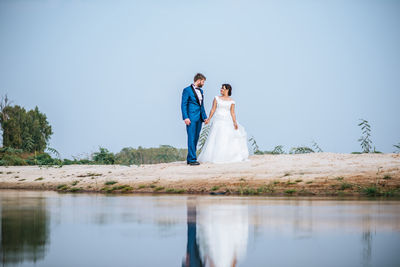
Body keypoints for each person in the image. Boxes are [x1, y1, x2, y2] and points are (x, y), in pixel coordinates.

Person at [198, 84, 249, 163]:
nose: (221, 90)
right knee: (216, 137)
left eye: (223, 88)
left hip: (227, 120)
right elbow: (213, 109)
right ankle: (214, 157)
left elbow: (232, 112)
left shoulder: (232, 101)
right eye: (221, 88)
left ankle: (227, 156)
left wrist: (235, 122)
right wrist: (209, 119)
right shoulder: (216, 98)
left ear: (227, 90)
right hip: (218, 120)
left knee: (226, 137)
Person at [181, 73, 208, 165]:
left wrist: (205, 117)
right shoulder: (187, 90)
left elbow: (201, 106)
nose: (203, 83)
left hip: (199, 118)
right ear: (198, 80)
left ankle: (189, 158)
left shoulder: (201, 91)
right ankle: (192, 159)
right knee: (191, 138)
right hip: (191, 118)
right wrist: (185, 117)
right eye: (203, 81)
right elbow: (183, 104)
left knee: (196, 138)